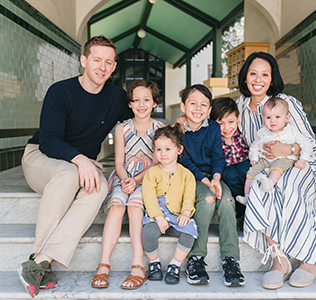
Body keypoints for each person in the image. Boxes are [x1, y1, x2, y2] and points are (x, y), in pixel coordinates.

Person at [18, 35, 133, 298]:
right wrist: (80, 160)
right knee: (69, 173)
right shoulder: (60, 91)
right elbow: (48, 141)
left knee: (100, 186)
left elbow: (139, 118)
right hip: (41, 157)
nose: (102, 67)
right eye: (96, 60)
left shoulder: (116, 97)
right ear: (84, 60)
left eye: (108, 62)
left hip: (82, 163)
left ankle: (40, 261)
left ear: (114, 67)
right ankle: (39, 260)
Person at [236, 52, 316, 290]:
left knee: (288, 185)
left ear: (272, 79)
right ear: (245, 76)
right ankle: (280, 261)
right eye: (253, 73)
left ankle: (309, 258)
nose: (258, 79)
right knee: (262, 187)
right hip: (266, 165)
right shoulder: (239, 106)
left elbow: (311, 141)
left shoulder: (286, 102)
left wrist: (289, 147)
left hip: (300, 160)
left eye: (265, 74)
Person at [91, 79, 163, 290]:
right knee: (117, 205)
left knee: (134, 208)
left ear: (154, 102)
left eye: (147, 100)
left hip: (149, 177)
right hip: (124, 175)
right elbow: (119, 162)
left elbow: (157, 162)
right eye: (136, 100)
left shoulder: (160, 128)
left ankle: (138, 265)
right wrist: (125, 180)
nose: (141, 104)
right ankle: (103, 265)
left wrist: (137, 180)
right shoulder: (122, 128)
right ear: (129, 104)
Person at [177, 84, 245, 287]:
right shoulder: (179, 130)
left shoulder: (214, 128)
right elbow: (185, 161)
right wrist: (206, 181)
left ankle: (231, 259)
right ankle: (196, 258)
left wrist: (216, 178)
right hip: (192, 177)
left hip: (213, 175)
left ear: (208, 110)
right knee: (207, 199)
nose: (198, 108)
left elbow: (218, 154)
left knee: (226, 199)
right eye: (193, 103)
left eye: (203, 105)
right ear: (183, 107)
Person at [142, 125, 197, 285]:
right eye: (158, 149)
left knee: (190, 232)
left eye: (167, 149)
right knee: (148, 233)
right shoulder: (152, 173)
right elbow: (149, 197)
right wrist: (158, 217)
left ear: (179, 150)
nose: (163, 153)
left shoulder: (187, 175)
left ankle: (175, 265)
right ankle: (154, 263)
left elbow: (189, 198)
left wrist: (186, 213)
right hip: (156, 215)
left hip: (177, 216)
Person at [243, 97, 312, 195]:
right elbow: (255, 147)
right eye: (268, 117)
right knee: (250, 173)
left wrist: (303, 160)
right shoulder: (262, 133)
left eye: (277, 117)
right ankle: (247, 196)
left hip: (284, 159)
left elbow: (307, 144)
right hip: (264, 160)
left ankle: (269, 184)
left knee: (276, 168)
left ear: (287, 118)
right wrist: (254, 158)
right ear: (263, 118)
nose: (272, 121)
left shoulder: (292, 131)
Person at [209, 97, 250, 230]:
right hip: (227, 172)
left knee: (247, 169)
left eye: (231, 121)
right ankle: (241, 214)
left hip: (244, 167)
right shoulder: (214, 139)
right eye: (221, 123)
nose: (227, 128)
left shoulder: (243, 134)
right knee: (230, 174)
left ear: (237, 118)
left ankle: (252, 212)